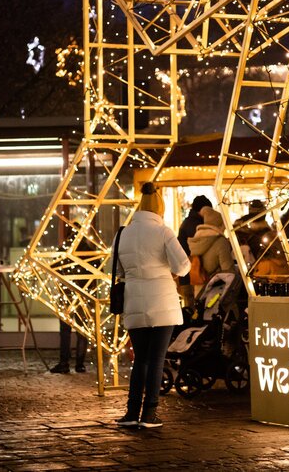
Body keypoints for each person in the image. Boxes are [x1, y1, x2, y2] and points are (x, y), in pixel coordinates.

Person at [115, 182, 190, 429]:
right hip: (162, 303)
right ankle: (150, 414)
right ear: (159, 206)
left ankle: (130, 413)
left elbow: (116, 270)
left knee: (141, 360)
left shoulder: (122, 233)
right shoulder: (163, 232)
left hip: (134, 299)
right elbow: (182, 266)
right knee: (157, 359)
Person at [186, 206, 235, 287]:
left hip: (199, 289)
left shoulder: (197, 239)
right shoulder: (221, 242)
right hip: (215, 290)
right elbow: (228, 271)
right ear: (220, 225)